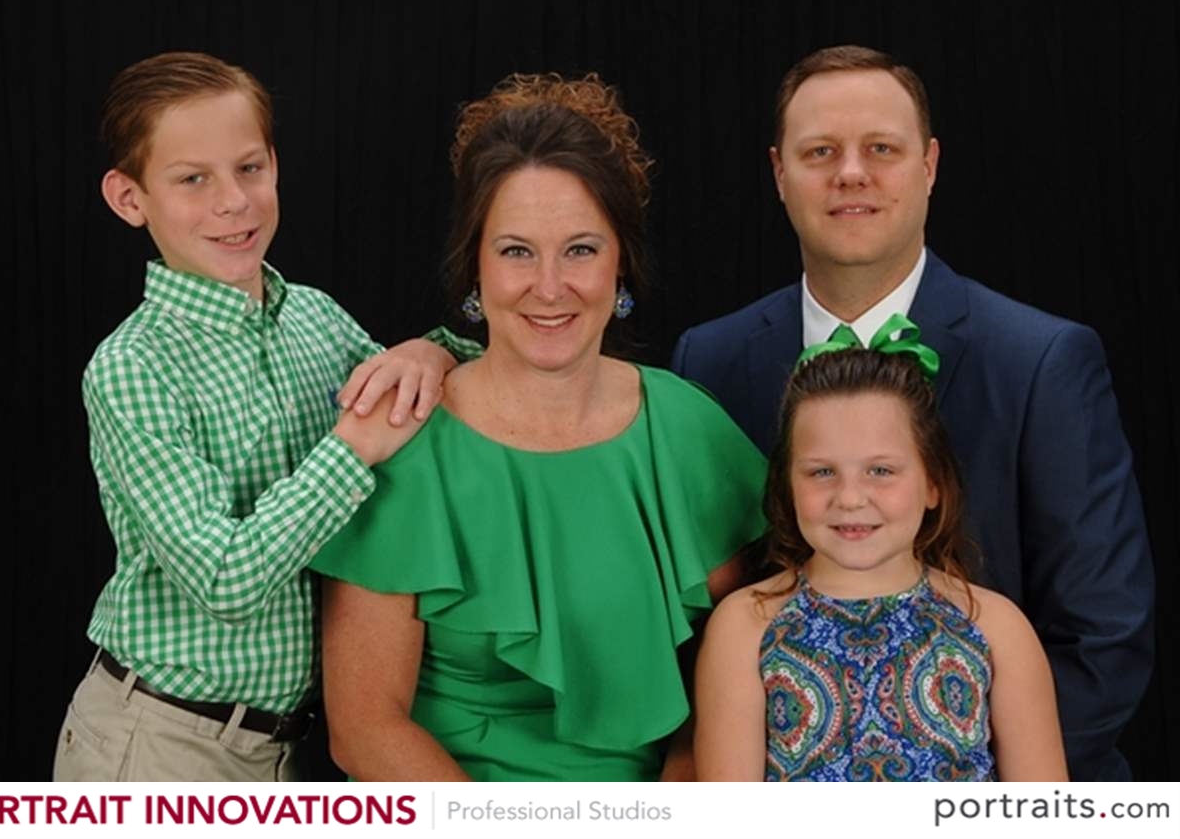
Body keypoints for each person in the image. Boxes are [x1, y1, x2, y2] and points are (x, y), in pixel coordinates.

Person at [672, 45, 1153, 780]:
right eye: (820, 151)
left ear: (928, 165)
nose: (850, 173)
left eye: (881, 149)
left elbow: (1104, 636)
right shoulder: (708, 361)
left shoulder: (1043, 361)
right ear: (778, 173)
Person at [311, 73, 768, 781]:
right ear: (475, 266)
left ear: (621, 263)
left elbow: (727, 689)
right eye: (516, 251)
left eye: (580, 249)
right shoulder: (405, 441)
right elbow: (365, 727)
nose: (549, 287)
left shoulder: (689, 433)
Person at [54, 51, 473, 782]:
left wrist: (428, 352)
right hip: (160, 744)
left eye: (249, 168)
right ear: (129, 198)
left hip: (283, 746)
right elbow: (225, 579)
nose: (234, 202)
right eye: (193, 179)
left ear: (274, 165)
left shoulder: (315, 318)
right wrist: (351, 449)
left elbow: (419, 397)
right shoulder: (132, 367)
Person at [695, 345, 1068, 781]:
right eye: (822, 472)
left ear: (933, 483)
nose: (850, 498)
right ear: (787, 486)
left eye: (881, 471)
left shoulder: (994, 626)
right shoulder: (746, 626)